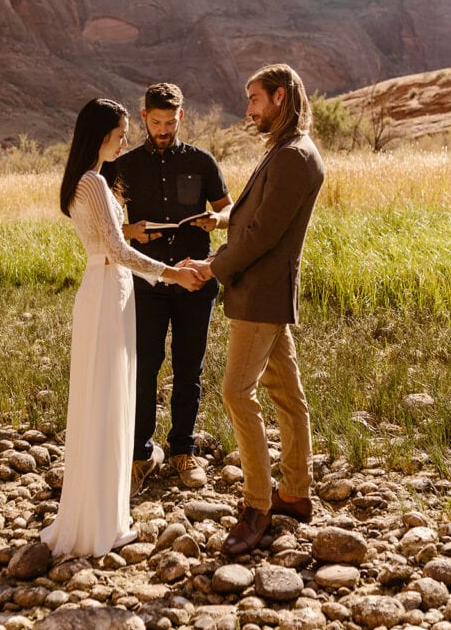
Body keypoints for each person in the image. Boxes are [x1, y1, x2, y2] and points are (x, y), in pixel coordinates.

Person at [40, 98, 202, 559]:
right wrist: (172, 273)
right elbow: (117, 249)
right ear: (101, 134)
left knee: (106, 395)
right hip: (109, 285)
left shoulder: (85, 180)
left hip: (108, 288)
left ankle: (103, 513)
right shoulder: (92, 182)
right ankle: (99, 523)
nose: (126, 141)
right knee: (107, 396)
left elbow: (114, 246)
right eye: (121, 133)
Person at [191, 63, 325, 556]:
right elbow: (260, 214)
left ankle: (256, 506)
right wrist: (223, 217)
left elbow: (265, 234)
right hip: (268, 293)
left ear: (281, 96)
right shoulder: (290, 151)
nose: (248, 110)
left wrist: (212, 267)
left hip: (259, 293)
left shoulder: (292, 156)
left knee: (234, 392)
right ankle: (295, 492)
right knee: (286, 394)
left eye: (254, 100)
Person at [103, 82, 232, 494]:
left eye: (169, 122)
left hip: (195, 279)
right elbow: (99, 225)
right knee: (144, 367)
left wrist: (217, 221)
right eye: (155, 121)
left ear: (182, 116)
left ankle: (182, 450)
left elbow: (228, 208)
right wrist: (130, 231)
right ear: (143, 118)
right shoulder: (120, 167)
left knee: (189, 368)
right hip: (146, 282)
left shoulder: (203, 161)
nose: (163, 128)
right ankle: (141, 454)